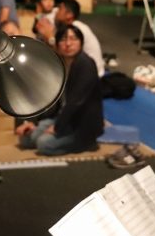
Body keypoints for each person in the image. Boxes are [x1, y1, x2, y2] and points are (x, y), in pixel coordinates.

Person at [16, 24, 103, 156]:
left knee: (43, 144)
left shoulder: (86, 65)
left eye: (73, 39)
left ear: (81, 43)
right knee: (26, 139)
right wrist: (31, 123)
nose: (68, 44)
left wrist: (57, 128)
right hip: (61, 117)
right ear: (57, 44)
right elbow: (44, 97)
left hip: (80, 125)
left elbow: (75, 102)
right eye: (63, 39)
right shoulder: (58, 63)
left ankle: (87, 143)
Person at [35, 0, 104, 77]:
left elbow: (67, 55)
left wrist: (50, 38)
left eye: (60, 8)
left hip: (91, 75)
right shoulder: (63, 26)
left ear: (69, 15)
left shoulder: (77, 29)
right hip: (79, 70)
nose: (56, 11)